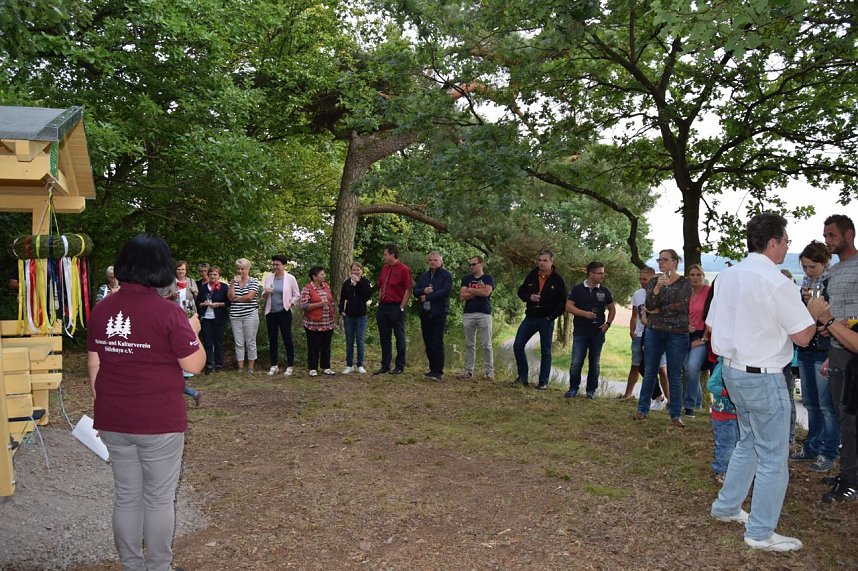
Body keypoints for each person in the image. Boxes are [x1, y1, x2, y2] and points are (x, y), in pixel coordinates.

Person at [87, 233, 206, 571]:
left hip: (113, 418)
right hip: (158, 422)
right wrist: (193, 330)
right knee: (157, 498)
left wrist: (105, 404)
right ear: (161, 269)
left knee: (127, 495)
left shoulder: (102, 309)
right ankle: (157, 567)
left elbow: (94, 363)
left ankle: (132, 565)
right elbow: (194, 365)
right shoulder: (167, 312)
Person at [707, 212, 815, 552]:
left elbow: (711, 326)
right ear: (773, 243)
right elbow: (802, 336)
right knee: (773, 455)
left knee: (749, 442)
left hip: (732, 370)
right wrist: (816, 313)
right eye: (785, 241)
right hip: (764, 375)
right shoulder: (777, 282)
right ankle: (760, 532)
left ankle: (726, 506)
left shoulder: (727, 276)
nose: (787, 247)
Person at [819, 214, 858, 502]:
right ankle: (849, 471)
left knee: (851, 419)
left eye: (832, 235)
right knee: (843, 415)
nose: (828, 241)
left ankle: (851, 480)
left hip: (854, 354)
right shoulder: (832, 272)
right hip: (837, 351)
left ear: (849, 234)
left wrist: (836, 324)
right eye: (826, 236)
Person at [790, 241, 838, 472]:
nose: (808, 272)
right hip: (807, 348)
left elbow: (835, 319)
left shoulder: (832, 284)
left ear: (824, 263)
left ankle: (828, 451)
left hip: (825, 348)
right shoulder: (805, 286)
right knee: (810, 403)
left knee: (827, 405)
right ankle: (812, 446)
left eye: (812, 267)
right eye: (805, 268)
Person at [634, 249, 692, 426]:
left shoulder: (685, 282)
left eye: (665, 259)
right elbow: (649, 304)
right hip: (654, 331)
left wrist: (657, 310)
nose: (661, 262)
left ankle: (675, 414)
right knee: (650, 370)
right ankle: (642, 409)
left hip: (677, 333)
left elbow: (680, 306)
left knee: (674, 374)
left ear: (675, 262)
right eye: (659, 260)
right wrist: (658, 288)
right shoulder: (653, 281)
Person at [512, 251, 567, 390]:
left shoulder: (558, 280)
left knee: (545, 351)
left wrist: (551, 317)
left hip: (546, 319)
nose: (541, 263)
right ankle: (522, 377)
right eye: (539, 260)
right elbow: (521, 291)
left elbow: (563, 303)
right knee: (518, 345)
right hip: (530, 317)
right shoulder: (532, 275)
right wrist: (529, 296)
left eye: (545, 260)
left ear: (551, 262)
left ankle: (543, 382)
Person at [564, 261, 616, 399]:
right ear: (590, 274)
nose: (602, 276)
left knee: (595, 363)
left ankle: (590, 391)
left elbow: (612, 309)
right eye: (599, 273)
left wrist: (608, 324)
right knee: (576, 362)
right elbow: (568, 306)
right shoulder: (577, 289)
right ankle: (573, 388)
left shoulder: (604, 291)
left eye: (603, 273)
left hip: (598, 332)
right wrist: (584, 314)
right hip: (581, 331)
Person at [160, 261, 201, 405]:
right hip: (172, 317)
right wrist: (171, 295)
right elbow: (161, 298)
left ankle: (186, 373)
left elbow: (198, 299)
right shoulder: (170, 282)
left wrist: (195, 293)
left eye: (183, 269)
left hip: (188, 315)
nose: (181, 272)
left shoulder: (191, 282)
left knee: (185, 344)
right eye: (178, 269)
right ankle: (188, 389)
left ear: (186, 271)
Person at [413, 251, 454, 380]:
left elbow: (445, 292)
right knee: (428, 342)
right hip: (425, 313)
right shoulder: (424, 276)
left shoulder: (446, 276)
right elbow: (415, 291)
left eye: (435, 260)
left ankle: (438, 371)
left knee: (437, 341)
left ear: (441, 262)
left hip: (438, 313)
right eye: (430, 260)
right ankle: (432, 369)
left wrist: (428, 296)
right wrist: (423, 291)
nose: (432, 262)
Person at [373, 244, 413, 375]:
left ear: (392, 254)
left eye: (385, 254)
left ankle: (400, 365)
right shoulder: (384, 268)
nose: (383, 257)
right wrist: (379, 300)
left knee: (399, 336)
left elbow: (408, 289)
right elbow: (380, 284)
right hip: (384, 306)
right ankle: (385, 365)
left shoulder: (404, 269)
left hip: (397, 305)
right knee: (384, 336)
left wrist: (402, 306)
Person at [262, 254, 300, 377]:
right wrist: (266, 292)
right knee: (272, 339)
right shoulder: (269, 278)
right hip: (270, 313)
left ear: (284, 265)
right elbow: (263, 296)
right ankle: (274, 365)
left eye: (278, 265)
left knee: (287, 338)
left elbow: (296, 295)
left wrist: (290, 305)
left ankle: (290, 365)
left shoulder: (290, 278)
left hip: (284, 312)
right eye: (273, 264)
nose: (275, 267)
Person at [458, 255, 495, 380]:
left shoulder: (488, 278)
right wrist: (477, 290)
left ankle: (489, 372)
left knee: (486, 344)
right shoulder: (466, 279)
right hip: (468, 313)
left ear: (481, 264)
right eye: (470, 265)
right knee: (469, 344)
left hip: (484, 313)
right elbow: (462, 296)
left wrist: (471, 290)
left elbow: (486, 292)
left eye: (474, 264)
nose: (471, 267)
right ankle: (468, 371)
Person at [682, 264, 710, 417]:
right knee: (687, 369)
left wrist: (704, 338)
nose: (695, 278)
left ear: (703, 276)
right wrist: (685, 325)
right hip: (684, 334)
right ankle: (698, 403)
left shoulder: (709, 291)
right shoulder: (684, 292)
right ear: (688, 277)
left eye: (698, 275)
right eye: (692, 275)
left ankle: (689, 406)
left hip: (701, 335)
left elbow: (712, 315)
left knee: (693, 367)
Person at [707, 357, 738, 484]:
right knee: (727, 445)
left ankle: (735, 470)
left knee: (738, 444)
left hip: (739, 416)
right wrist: (728, 392)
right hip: (723, 415)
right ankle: (721, 470)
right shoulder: (723, 366)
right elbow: (711, 385)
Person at [301, 266, 337, 377]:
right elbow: (304, 306)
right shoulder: (307, 289)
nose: (324, 276)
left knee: (326, 346)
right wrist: (319, 304)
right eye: (322, 274)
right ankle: (312, 368)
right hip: (313, 323)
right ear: (314, 277)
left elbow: (330, 301)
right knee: (313, 345)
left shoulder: (326, 286)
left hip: (327, 322)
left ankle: (326, 367)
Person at [339, 261, 372, 374]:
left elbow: (366, 296)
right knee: (349, 341)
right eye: (354, 270)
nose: (356, 272)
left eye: (358, 270)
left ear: (361, 271)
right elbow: (342, 297)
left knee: (360, 340)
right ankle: (349, 365)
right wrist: (341, 310)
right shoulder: (347, 283)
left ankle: (360, 365)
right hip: (349, 316)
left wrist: (358, 284)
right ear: (350, 271)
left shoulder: (365, 282)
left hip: (361, 316)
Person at [228, 258, 260, 375]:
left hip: (250, 314)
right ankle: (240, 368)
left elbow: (250, 297)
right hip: (235, 315)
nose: (240, 271)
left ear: (248, 269)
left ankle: (251, 368)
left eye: (242, 269)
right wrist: (232, 284)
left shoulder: (253, 281)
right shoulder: (233, 282)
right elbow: (230, 298)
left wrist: (237, 299)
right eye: (238, 268)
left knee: (250, 341)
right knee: (239, 342)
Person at [196, 266, 230, 374]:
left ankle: (219, 365)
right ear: (208, 275)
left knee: (218, 342)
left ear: (219, 276)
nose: (213, 276)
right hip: (206, 318)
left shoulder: (224, 287)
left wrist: (218, 304)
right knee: (208, 342)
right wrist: (203, 304)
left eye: (215, 274)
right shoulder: (203, 287)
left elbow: (229, 302)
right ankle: (209, 365)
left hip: (219, 318)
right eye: (211, 274)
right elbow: (198, 302)